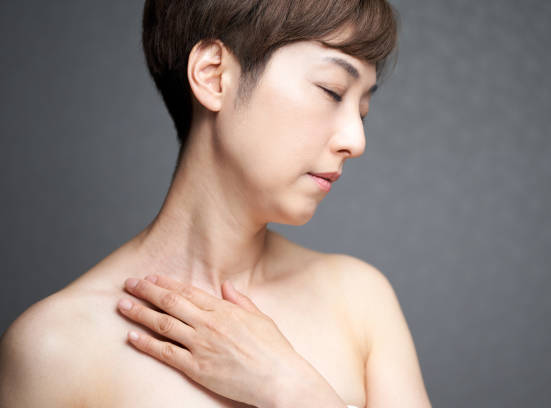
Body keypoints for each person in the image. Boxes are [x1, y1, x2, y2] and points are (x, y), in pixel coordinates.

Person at [0, 0, 432, 407]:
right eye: (331, 91)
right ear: (213, 75)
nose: (356, 140)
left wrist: (289, 387)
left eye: (364, 110)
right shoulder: (56, 348)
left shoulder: (358, 299)